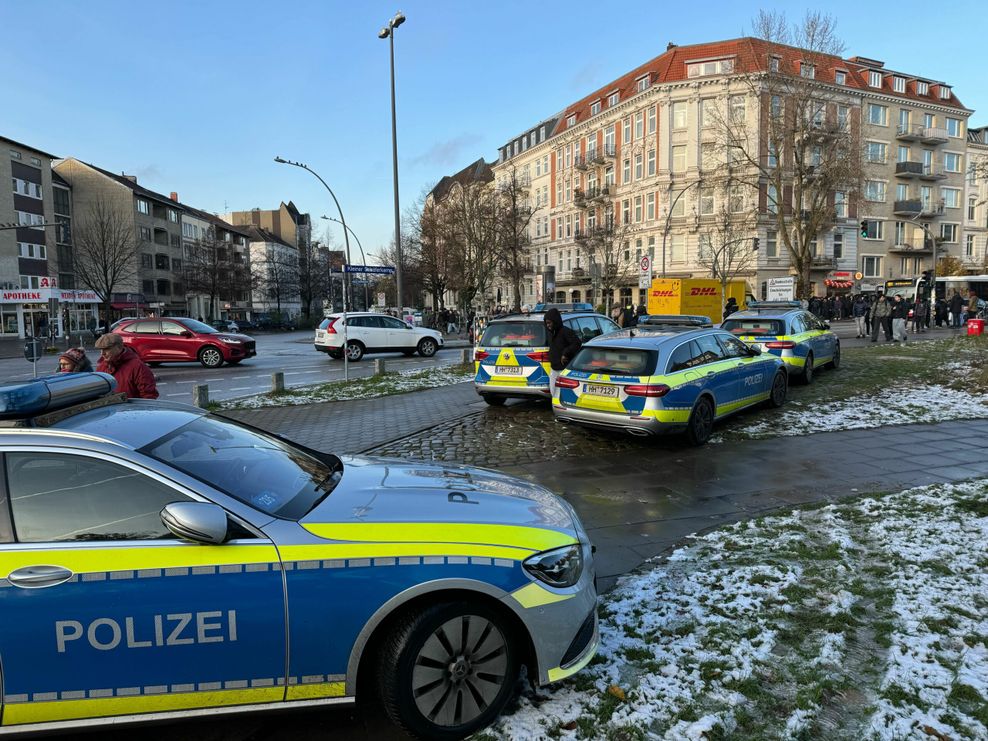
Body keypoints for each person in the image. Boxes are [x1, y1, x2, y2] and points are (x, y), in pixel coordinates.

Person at [94, 333, 158, 399]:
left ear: (119, 347)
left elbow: (149, 397)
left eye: (106, 349)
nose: (102, 353)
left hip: (131, 409)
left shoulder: (138, 367)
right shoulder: (101, 367)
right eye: (101, 349)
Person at [544, 308, 581, 392]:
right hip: (554, 368)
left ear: (555, 321)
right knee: (553, 392)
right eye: (546, 323)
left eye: (549, 323)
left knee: (562, 393)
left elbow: (577, 343)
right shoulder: (551, 333)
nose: (548, 325)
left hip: (564, 369)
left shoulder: (566, 332)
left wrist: (565, 353)